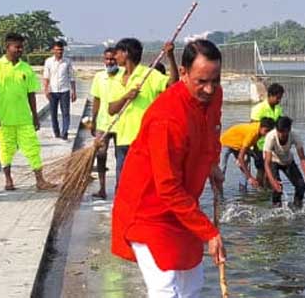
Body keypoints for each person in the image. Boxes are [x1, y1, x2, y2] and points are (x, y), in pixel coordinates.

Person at [111, 40, 226, 298]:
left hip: (183, 207)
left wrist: (212, 164)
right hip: (148, 210)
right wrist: (209, 232)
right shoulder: (167, 117)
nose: (209, 89)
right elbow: (167, 187)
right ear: (183, 73)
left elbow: (212, 130)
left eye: (215, 80)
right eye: (201, 82)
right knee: (164, 288)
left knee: (192, 286)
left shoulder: (214, 95)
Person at [0, 33, 56, 191]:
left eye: (21, 47)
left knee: (32, 148)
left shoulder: (26, 68)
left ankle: (40, 180)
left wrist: (35, 116)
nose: (20, 49)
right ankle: (8, 179)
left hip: (24, 119)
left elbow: (31, 94)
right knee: (6, 149)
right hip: (4, 119)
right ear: (7, 47)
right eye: (16, 46)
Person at [107, 38, 178, 185]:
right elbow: (111, 110)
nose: (115, 57)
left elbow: (173, 84)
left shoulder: (149, 75)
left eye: (117, 53)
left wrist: (170, 56)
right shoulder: (116, 78)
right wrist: (126, 97)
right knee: (122, 184)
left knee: (144, 183)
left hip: (145, 141)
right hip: (123, 140)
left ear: (126, 53)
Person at [90, 47, 120, 199]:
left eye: (112, 59)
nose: (109, 62)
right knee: (101, 155)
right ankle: (102, 188)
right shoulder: (99, 77)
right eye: (107, 59)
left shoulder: (124, 76)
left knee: (120, 158)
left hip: (121, 124)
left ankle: (120, 189)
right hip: (102, 123)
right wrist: (93, 121)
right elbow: (96, 100)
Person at [263, 116, 305, 208]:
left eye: (284, 132)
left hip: (287, 161)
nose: (281, 134)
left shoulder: (295, 136)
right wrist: (273, 181)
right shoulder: (270, 137)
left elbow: (302, 158)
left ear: (289, 130)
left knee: (301, 185)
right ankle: (276, 209)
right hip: (273, 161)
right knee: (277, 188)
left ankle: (297, 207)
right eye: (279, 131)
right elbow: (267, 163)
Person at [220, 118, 275, 191]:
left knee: (246, 164)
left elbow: (255, 143)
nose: (267, 134)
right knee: (222, 168)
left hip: (239, 144)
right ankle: (218, 193)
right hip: (225, 142)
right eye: (266, 131)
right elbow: (240, 157)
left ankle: (243, 190)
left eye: (269, 132)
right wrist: (250, 177)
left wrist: (258, 157)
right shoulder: (252, 133)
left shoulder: (260, 129)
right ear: (261, 127)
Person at [250, 83, 285, 186]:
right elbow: (253, 129)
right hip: (259, 145)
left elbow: (280, 125)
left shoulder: (278, 108)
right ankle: (260, 192)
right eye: (277, 98)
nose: (279, 100)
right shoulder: (258, 109)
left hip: (272, 145)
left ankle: (269, 190)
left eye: (280, 98)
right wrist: (253, 147)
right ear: (270, 95)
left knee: (271, 169)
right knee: (261, 170)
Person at [43, 41, 76, 140]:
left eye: (61, 50)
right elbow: (46, 77)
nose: (59, 52)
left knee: (65, 113)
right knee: (53, 114)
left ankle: (65, 132)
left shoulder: (67, 62)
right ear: (53, 50)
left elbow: (72, 77)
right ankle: (56, 132)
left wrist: (73, 91)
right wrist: (46, 90)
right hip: (53, 91)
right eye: (57, 50)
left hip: (64, 91)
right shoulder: (48, 62)